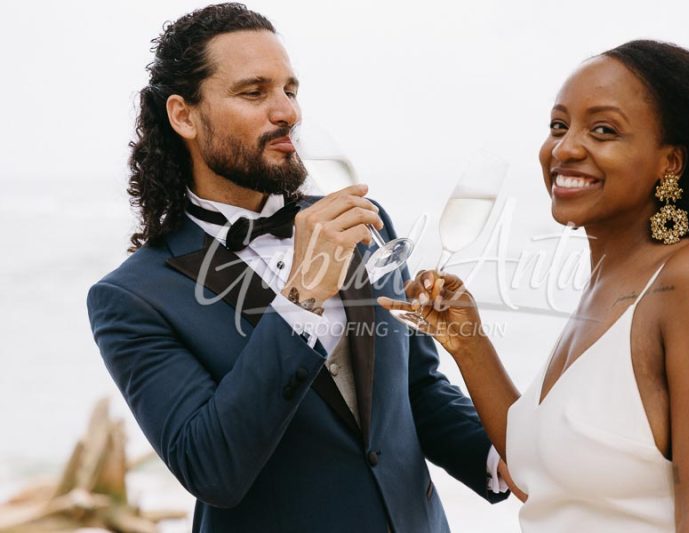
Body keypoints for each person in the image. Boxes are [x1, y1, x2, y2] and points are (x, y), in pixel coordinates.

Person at [86, 4, 508, 532]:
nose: (287, 112)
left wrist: (496, 459)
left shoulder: (360, 225)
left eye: (290, 89)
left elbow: (415, 389)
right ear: (184, 115)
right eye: (254, 92)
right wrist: (301, 299)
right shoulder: (131, 298)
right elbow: (210, 467)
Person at [380, 40, 689, 532]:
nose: (565, 148)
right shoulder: (606, 285)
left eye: (603, 130)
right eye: (559, 125)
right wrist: (467, 342)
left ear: (671, 162)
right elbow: (532, 466)